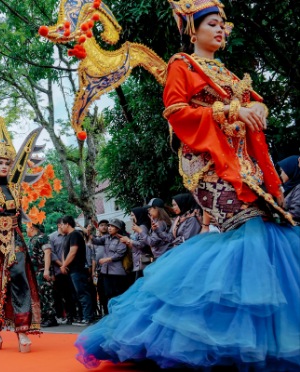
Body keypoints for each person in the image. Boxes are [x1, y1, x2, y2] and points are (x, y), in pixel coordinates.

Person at [75, 1, 300, 370]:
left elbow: (254, 104)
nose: (221, 29)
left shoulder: (225, 71)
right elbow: (176, 112)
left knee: (265, 231)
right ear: (193, 29)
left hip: (248, 168)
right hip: (212, 169)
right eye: (213, 23)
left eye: (224, 24)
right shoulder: (183, 64)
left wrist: (258, 109)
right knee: (250, 232)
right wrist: (229, 111)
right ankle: (216, 340)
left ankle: (241, 337)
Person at [0, 118, 41, 353]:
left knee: (20, 278)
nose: (5, 166)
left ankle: (22, 331)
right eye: (0, 162)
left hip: (15, 238)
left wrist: (23, 239)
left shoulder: (15, 188)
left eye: (8, 162)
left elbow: (18, 217)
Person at [60, 215, 94, 326]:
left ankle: (88, 317)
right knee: (77, 295)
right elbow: (64, 253)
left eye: (62, 224)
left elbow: (73, 251)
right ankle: (82, 316)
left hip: (78, 269)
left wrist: (64, 265)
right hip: (71, 270)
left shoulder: (75, 234)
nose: (61, 227)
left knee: (82, 293)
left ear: (67, 224)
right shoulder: (67, 236)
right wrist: (63, 265)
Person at [89, 218, 128, 312]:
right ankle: (110, 314)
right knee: (107, 294)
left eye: (112, 226)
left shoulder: (121, 239)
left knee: (117, 294)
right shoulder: (106, 238)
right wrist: (89, 233)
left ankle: (119, 313)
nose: (109, 228)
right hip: (105, 271)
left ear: (118, 229)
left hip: (116, 272)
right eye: (109, 226)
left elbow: (120, 253)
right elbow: (96, 241)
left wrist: (108, 259)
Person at [27, 223, 58, 327]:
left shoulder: (43, 237)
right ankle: (44, 317)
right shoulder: (32, 239)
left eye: (27, 228)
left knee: (46, 294)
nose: (26, 230)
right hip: (35, 272)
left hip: (42, 270)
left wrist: (46, 270)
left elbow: (48, 253)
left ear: (31, 228)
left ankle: (51, 318)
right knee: (40, 294)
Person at [49, 219, 77, 324]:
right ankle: (62, 315)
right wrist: (62, 265)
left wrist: (67, 265)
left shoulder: (70, 235)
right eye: (63, 224)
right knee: (60, 295)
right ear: (59, 225)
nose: (64, 225)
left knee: (72, 294)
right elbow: (52, 254)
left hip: (71, 268)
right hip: (58, 270)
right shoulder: (52, 237)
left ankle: (73, 315)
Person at [121, 207, 153, 283]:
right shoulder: (138, 226)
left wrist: (129, 240)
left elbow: (142, 244)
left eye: (133, 215)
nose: (131, 217)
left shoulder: (142, 227)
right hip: (138, 261)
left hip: (142, 261)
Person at [278, 155, 300, 222]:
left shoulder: (298, 188)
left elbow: (295, 212)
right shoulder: (289, 187)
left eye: (282, 171)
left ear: (290, 169)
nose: (281, 174)